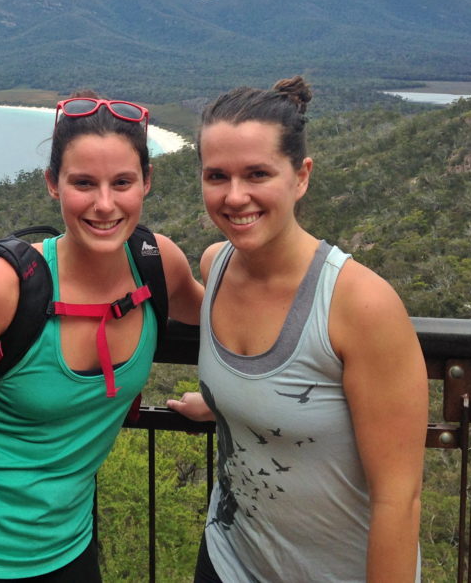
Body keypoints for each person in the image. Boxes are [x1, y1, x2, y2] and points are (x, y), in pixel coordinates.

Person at [0, 94, 204, 581]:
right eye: (83, 183)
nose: (104, 204)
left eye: (122, 182)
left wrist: (225, 401)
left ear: (147, 182)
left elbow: (238, 330)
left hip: (71, 547)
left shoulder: (157, 264)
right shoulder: (5, 288)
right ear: (53, 185)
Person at [167, 76, 427, 582]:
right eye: (217, 175)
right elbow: (265, 383)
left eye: (258, 173)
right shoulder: (215, 266)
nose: (235, 196)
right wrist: (225, 405)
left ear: (301, 176)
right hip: (226, 557)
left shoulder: (359, 304)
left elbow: (400, 500)